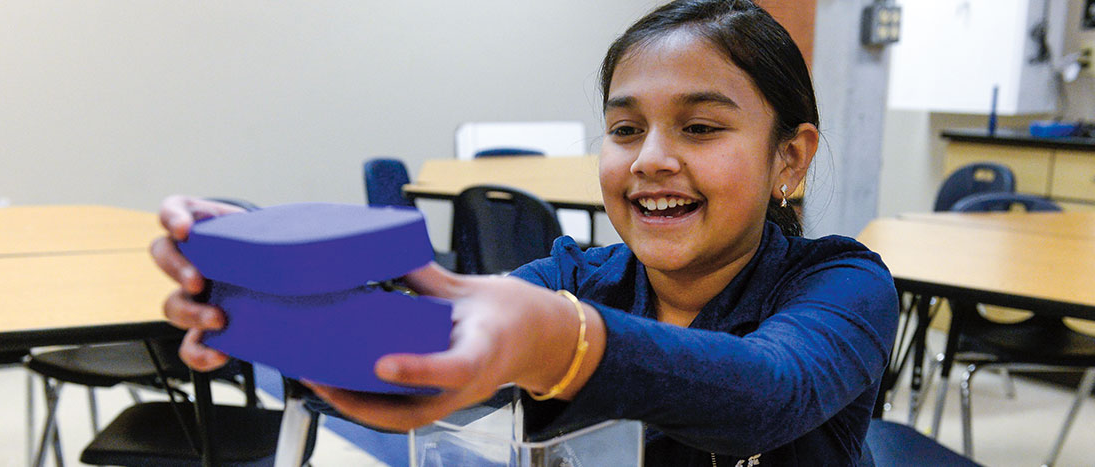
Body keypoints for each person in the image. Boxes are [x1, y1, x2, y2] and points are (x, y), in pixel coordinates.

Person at [151, 0, 899, 464]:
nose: (651, 160)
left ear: (789, 159)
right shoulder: (578, 276)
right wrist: (266, 293)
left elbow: (766, 393)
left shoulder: (842, 284)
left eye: (700, 127)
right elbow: (431, 339)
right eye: (624, 128)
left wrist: (556, 339)